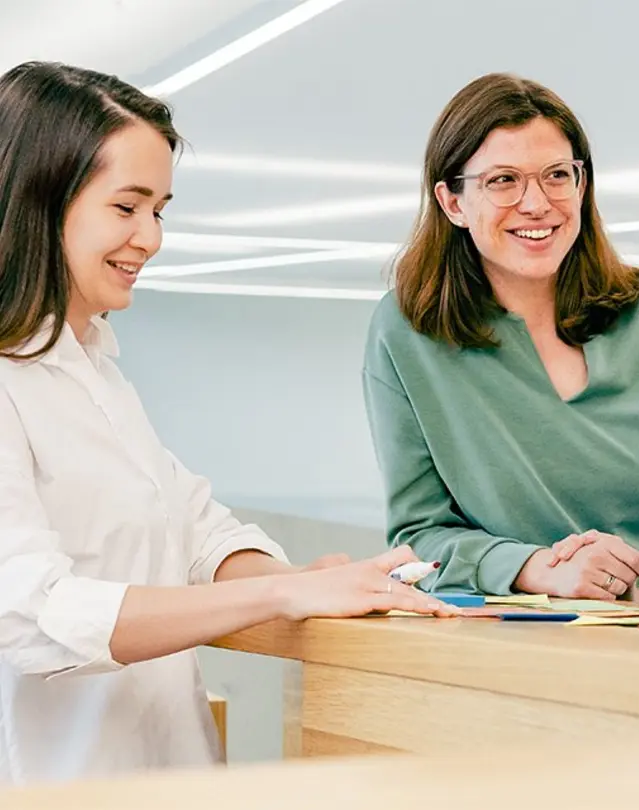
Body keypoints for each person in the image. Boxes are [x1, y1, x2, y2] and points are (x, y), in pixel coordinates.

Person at [0, 62, 457, 787]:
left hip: (166, 773)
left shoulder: (99, 373)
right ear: (38, 200)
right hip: (55, 784)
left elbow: (198, 531)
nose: (150, 238)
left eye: (160, 210)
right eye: (127, 207)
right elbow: (34, 617)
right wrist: (279, 595)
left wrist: (297, 579)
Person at [363, 73, 639, 600]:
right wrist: (539, 567)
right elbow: (418, 537)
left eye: (557, 175)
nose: (537, 203)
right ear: (452, 203)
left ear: (582, 186)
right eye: (503, 181)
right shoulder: (408, 333)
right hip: (514, 641)